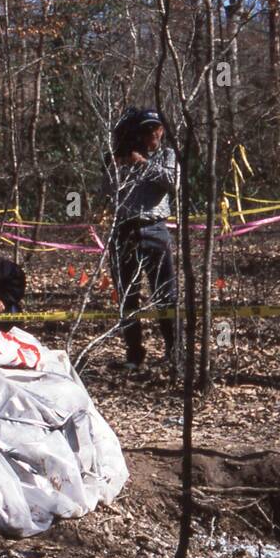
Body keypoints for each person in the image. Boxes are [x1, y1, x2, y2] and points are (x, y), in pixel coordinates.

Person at [102, 107, 178, 370]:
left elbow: (173, 182)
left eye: (155, 129)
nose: (151, 135)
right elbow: (108, 190)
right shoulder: (120, 158)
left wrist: (143, 164)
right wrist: (119, 162)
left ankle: (174, 351)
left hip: (155, 228)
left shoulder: (167, 155)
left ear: (162, 130)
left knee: (165, 294)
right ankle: (134, 353)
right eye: (145, 130)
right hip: (124, 231)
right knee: (127, 295)